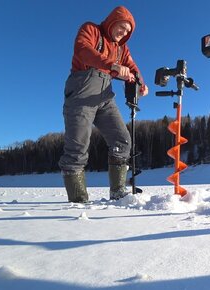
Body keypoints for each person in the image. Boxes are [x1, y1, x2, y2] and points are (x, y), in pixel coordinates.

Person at [59, 6, 148, 203]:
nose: (123, 33)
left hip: (105, 97)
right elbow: (83, 50)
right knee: (77, 147)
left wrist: (140, 83)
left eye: (127, 31)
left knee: (122, 140)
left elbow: (132, 67)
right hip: (81, 94)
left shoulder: (121, 48)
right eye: (121, 27)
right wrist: (112, 66)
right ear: (112, 21)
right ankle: (78, 202)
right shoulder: (91, 30)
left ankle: (117, 193)